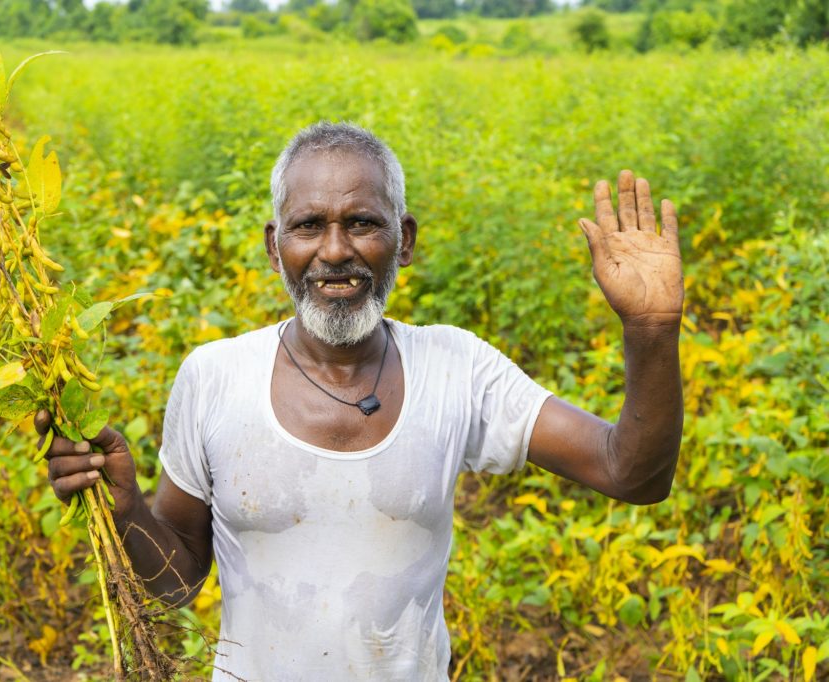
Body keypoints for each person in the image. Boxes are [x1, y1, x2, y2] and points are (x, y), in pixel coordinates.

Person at [36, 122, 684, 681]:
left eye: (362, 223)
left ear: (403, 240)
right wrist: (123, 510)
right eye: (309, 226)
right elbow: (175, 583)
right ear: (274, 246)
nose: (336, 251)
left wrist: (650, 330)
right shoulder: (214, 376)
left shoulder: (457, 368)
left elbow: (631, 473)